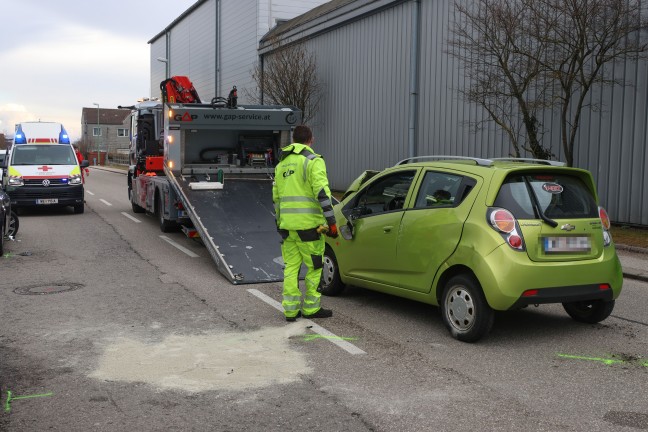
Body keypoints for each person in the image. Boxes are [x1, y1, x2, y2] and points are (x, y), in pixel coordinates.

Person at [273, 125, 338, 321]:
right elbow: (323, 194)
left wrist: (279, 223)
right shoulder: (313, 161)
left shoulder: (281, 165)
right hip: (309, 227)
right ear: (311, 139)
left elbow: (276, 199)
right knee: (315, 267)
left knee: (291, 268)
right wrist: (332, 222)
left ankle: (290, 311)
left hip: (287, 227)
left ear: (293, 140)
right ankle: (311, 308)